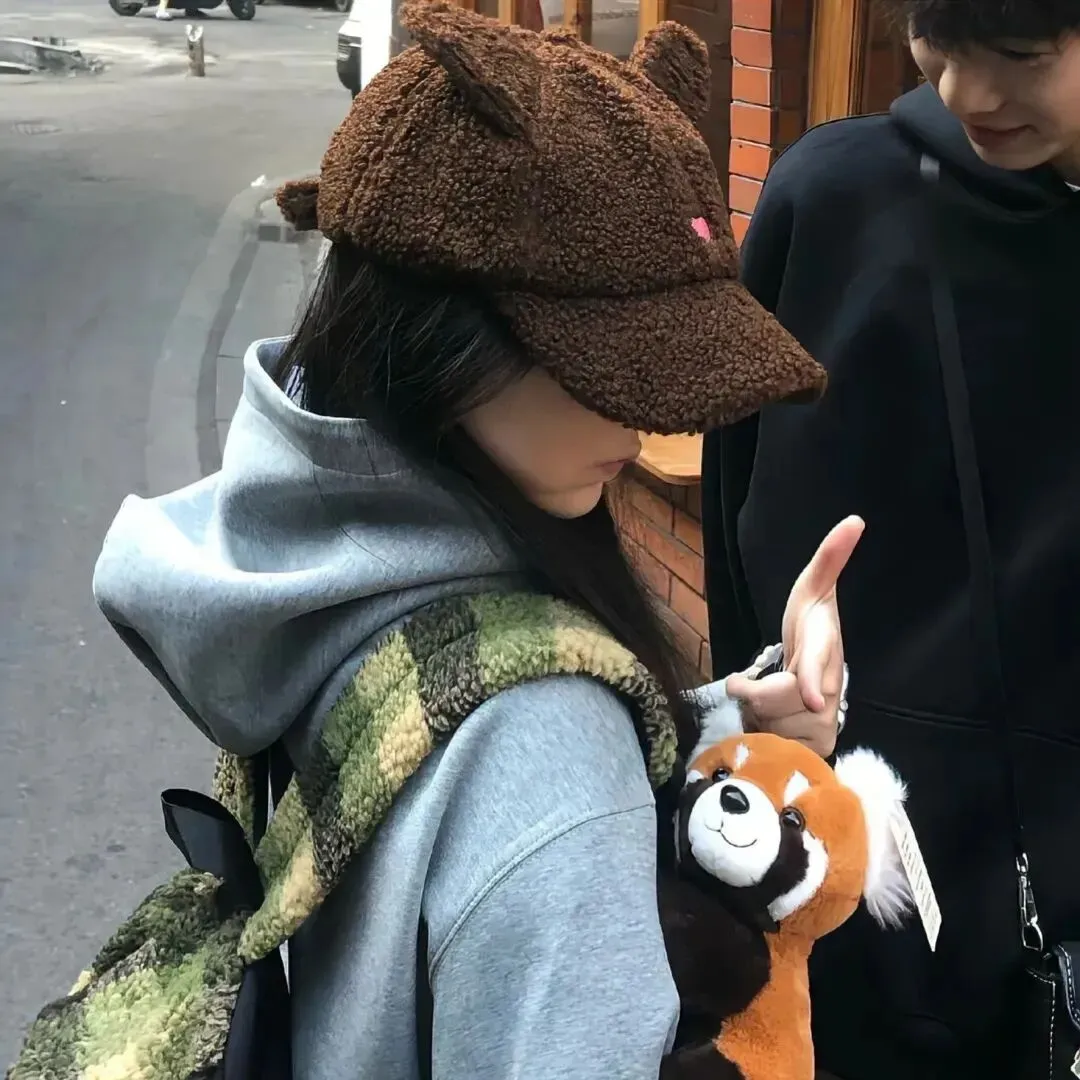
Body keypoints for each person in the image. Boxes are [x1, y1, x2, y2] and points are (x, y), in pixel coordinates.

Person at [88, 4, 856, 1077]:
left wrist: (724, 717)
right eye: (621, 364)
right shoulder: (548, 742)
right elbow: (514, 778)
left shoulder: (307, 567)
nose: (648, 421)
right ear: (451, 336)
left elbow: (431, 762)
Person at [700, 1, 1080, 1078]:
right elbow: (736, 514)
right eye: (938, 42)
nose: (965, 92)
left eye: (1020, 55)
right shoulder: (832, 201)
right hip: (854, 871)